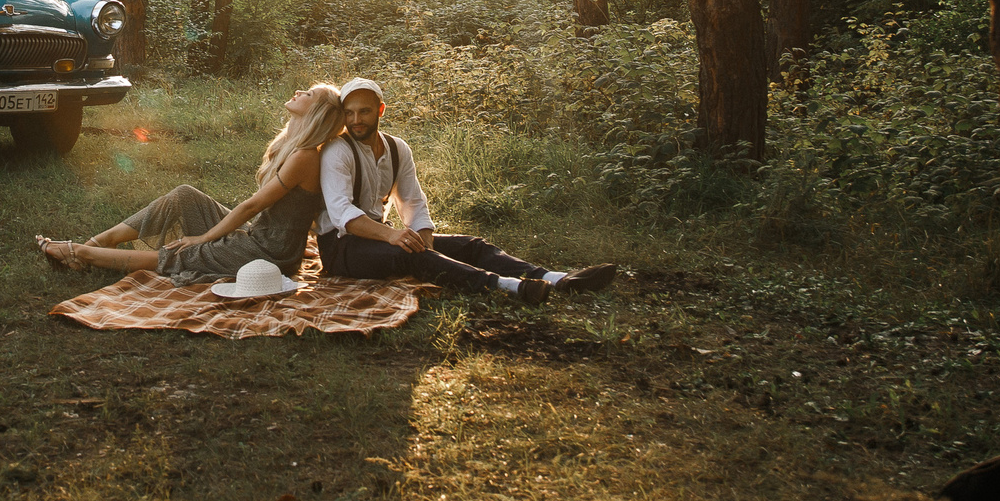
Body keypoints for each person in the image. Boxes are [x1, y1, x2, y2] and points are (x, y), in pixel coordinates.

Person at [317, 77, 615, 306]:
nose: (356, 120)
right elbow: (344, 215)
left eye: (364, 112)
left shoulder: (397, 148)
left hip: (380, 237)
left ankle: (556, 278)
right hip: (341, 248)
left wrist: (424, 240)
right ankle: (509, 287)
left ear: (381, 110)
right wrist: (395, 237)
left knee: (471, 246)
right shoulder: (337, 151)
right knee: (408, 254)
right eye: (350, 113)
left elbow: (413, 202)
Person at [36, 83, 343, 284]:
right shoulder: (292, 145)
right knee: (185, 196)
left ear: (316, 112)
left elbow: (253, 205)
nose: (299, 92)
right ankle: (98, 243)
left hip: (271, 252)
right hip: (260, 235)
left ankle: (80, 253)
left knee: (180, 256)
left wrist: (203, 238)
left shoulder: (306, 156)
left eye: (309, 94)